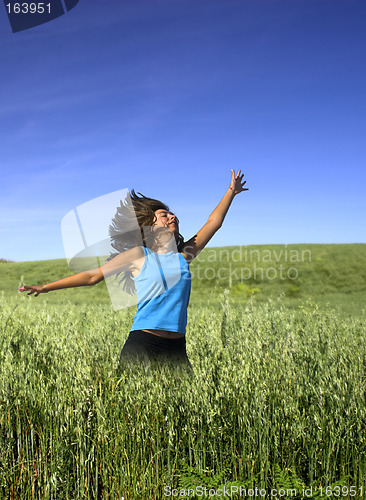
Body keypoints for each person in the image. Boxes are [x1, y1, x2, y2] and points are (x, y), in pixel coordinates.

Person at [19, 170, 248, 368]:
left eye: (172, 214)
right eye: (164, 215)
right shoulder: (139, 255)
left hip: (177, 347)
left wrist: (231, 192)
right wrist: (45, 287)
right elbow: (92, 276)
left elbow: (213, 224)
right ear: (149, 225)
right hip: (143, 344)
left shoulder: (183, 256)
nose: (172, 216)